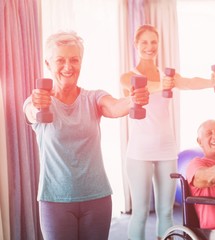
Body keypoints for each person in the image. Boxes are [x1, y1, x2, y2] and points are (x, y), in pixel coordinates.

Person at [23, 31, 149, 240]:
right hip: (55, 200)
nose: (68, 66)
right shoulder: (39, 100)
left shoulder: (93, 97)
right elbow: (31, 113)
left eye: (74, 60)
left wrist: (133, 100)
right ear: (48, 63)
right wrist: (37, 106)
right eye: (60, 60)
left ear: (81, 62)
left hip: (97, 197)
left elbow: (116, 106)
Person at [120, 24, 215, 240]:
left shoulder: (165, 75)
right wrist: (164, 85)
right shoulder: (128, 76)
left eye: (154, 42)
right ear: (136, 45)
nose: (150, 47)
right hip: (139, 153)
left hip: (166, 149)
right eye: (145, 42)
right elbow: (141, 87)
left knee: (166, 212)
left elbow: (188, 82)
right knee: (139, 212)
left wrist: (210, 81)